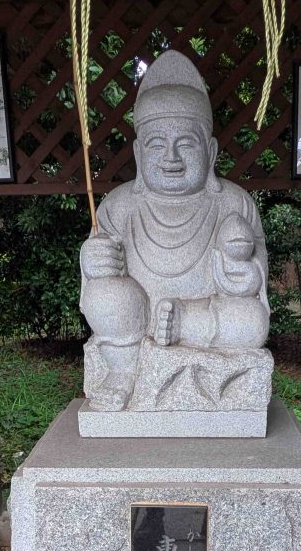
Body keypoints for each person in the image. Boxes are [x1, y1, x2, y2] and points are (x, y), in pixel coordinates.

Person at [80, 50, 270, 411]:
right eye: (157, 145)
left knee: (253, 324)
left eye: (186, 144)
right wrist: (94, 261)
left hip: (203, 318)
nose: (172, 158)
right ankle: (123, 372)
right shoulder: (118, 206)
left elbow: (255, 284)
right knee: (105, 297)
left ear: (211, 153)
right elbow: (97, 271)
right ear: (138, 154)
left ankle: (181, 326)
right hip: (136, 319)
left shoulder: (234, 203)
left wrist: (240, 267)